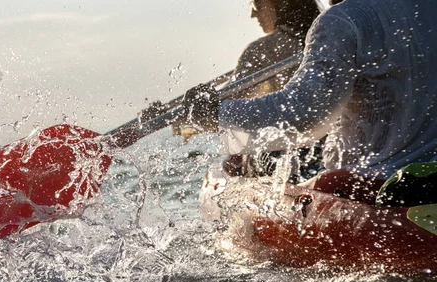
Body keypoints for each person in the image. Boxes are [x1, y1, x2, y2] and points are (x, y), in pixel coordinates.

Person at [182, 0, 437, 205]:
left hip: (374, 192)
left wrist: (215, 113)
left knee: (320, 182)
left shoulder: (345, 19)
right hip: (428, 182)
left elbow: (303, 117)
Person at [175, 0, 323, 181]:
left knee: (241, 160)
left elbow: (216, 110)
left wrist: (180, 118)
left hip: (284, 161)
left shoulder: (262, 50)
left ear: (278, 4)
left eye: (257, 4)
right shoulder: (331, 43)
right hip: (325, 154)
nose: (253, 14)